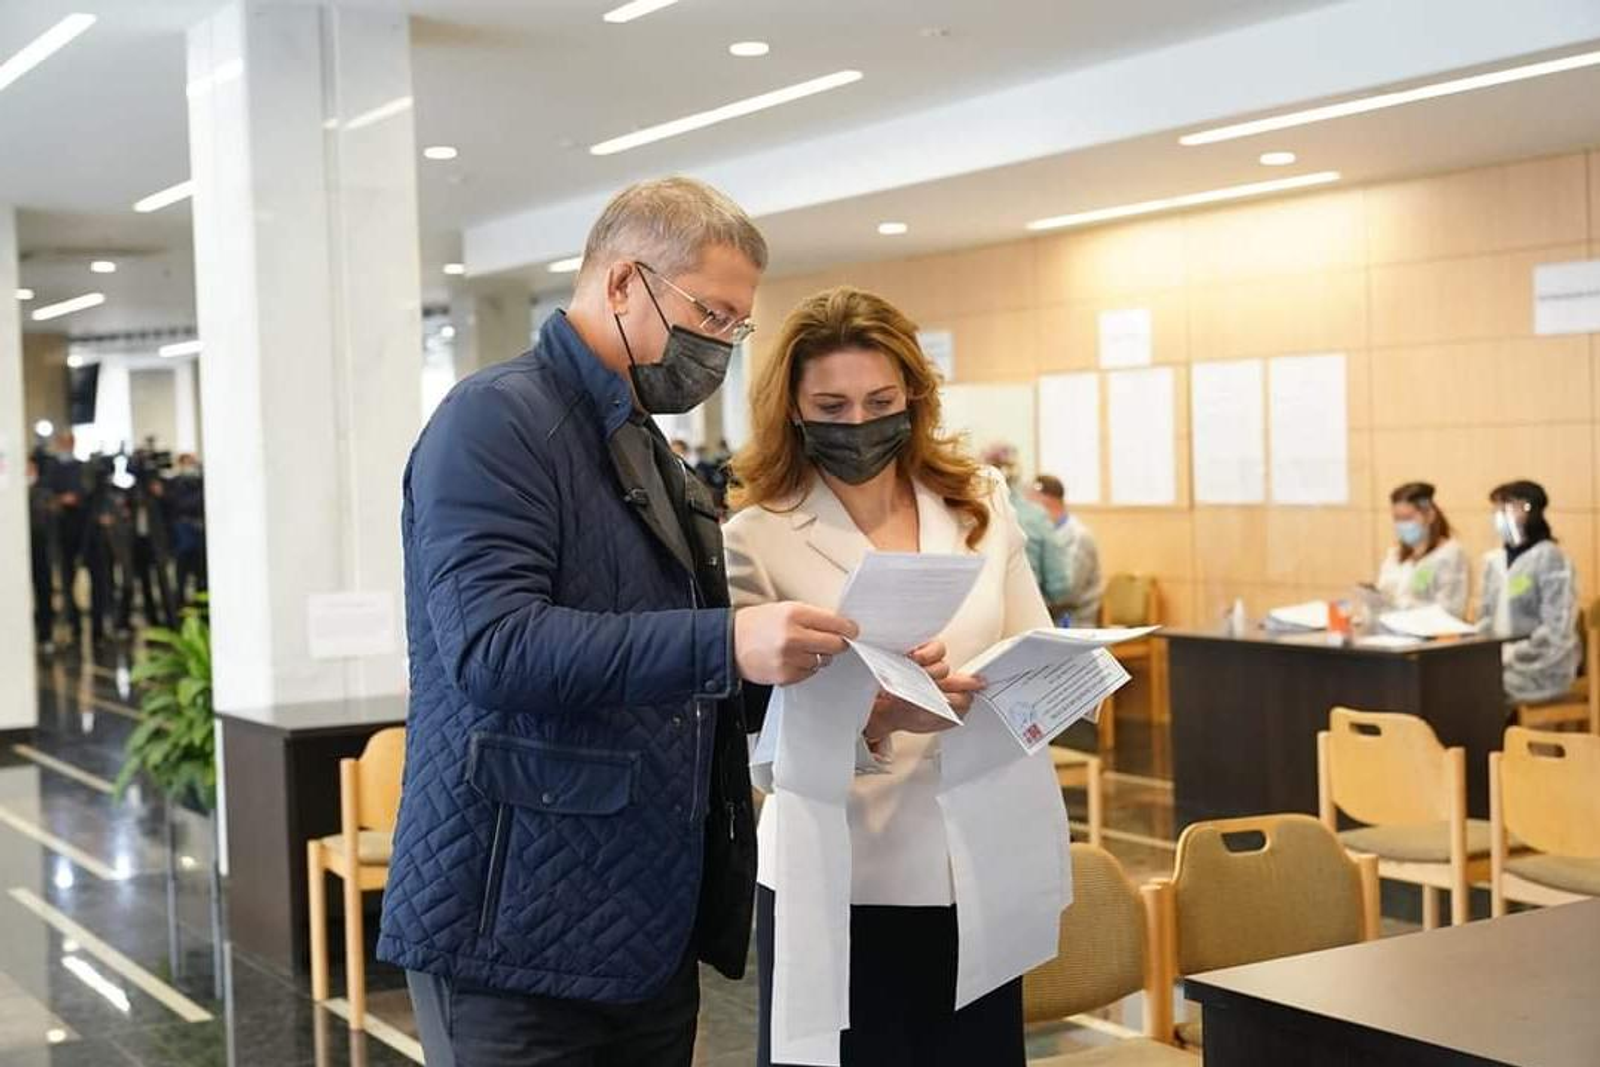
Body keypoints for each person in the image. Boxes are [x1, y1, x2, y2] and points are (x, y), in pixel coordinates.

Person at [379, 177, 858, 1066]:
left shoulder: (648, 450)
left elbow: (683, 682)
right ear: (624, 282)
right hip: (512, 924)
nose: (722, 344)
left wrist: (843, 695)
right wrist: (728, 639)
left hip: (639, 919)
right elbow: (494, 647)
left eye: (737, 325)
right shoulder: (495, 419)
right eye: (711, 314)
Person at [725, 287, 1069, 1067]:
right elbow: (751, 747)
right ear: (793, 410)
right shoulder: (756, 537)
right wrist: (874, 717)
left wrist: (1032, 686)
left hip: (982, 857)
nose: (859, 423)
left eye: (880, 401)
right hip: (844, 875)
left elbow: (1032, 643)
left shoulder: (979, 500)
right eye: (832, 406)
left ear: (914, 394)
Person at [1476, 480, 1580, 705]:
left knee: (1477, 690)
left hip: (1540, 668)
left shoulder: (1551, 559)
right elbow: (1485, 618)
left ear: (1529, 510)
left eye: (1506, 507)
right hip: (1497, 662)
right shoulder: (1493, 561)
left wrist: (1512, 653)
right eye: (1497, 509)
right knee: (1453, 680)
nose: (1499, 516)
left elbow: (1556, 630)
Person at [980, 442, 1068, 611]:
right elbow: (1059, 585)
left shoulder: (965, 514)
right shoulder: (1036, 516)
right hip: (1028, 611)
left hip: (978, 614)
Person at [1374, 481, 1469, 618]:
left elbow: (1450, 610)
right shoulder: (1395, 554)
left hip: (1433, 630)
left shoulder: (1449, 555)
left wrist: (1404, 606)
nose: (1401, 524)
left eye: (1407, 518)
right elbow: (1383, 593)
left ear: (1429, 516)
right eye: (1397, 518)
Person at [1027, 474, 1102, 625]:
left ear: (1045, 501)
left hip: (1073, 625)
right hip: (1048, 620)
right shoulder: (1045, 533)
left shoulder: (1078, 537)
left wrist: (1027, 602)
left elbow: (1067, 594)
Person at [44, 433, 87, 642]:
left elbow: (84, 492)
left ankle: (79, 619)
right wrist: (60, 499)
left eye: (69, 442)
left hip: (81, 530)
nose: (66, 446)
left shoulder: (81, 467)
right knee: (66, 576)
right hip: (60, 531)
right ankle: (71, 619)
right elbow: (47, 494)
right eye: (63, 442)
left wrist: (75, 498)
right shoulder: (52, 468)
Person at [27, 457, 57, 653]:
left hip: (41, 548)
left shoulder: (44, 493)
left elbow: (48, 520)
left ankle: (45, 635)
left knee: (44, 591)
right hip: (21, 553)